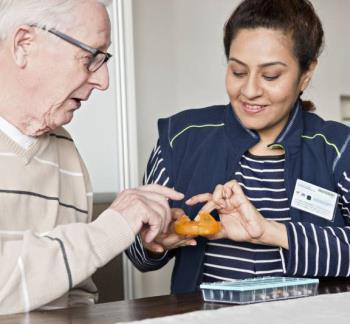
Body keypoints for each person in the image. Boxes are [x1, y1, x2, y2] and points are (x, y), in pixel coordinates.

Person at [126, 0, 350, 295]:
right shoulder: (182, 138)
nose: (250, 90)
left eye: (270, 76)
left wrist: (270, 232)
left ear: (305, 75)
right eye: (238, 72)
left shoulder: (337, 149)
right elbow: (139, 257)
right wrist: (154, 241)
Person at [0, 0, 184, 315]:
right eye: (90, 58)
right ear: (23, 45)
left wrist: (125, 230)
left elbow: (76, 297)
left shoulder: (66, 152)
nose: (103, 81)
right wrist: (109, 229)